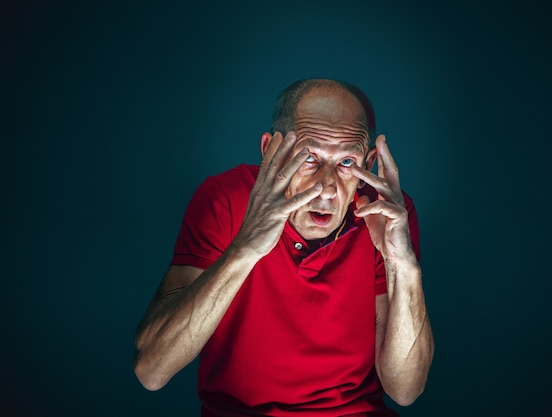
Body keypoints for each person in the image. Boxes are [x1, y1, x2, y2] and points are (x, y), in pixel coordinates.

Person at [134, 78, 434, 416]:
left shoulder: (386, 213)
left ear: (368, 163)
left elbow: (406, 390)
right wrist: (247, 246)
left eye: (347, 162)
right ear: (270, 152)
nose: (327, 187)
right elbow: (152, 371)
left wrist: (402, 265)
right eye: (309, 157)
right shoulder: (224, 199)